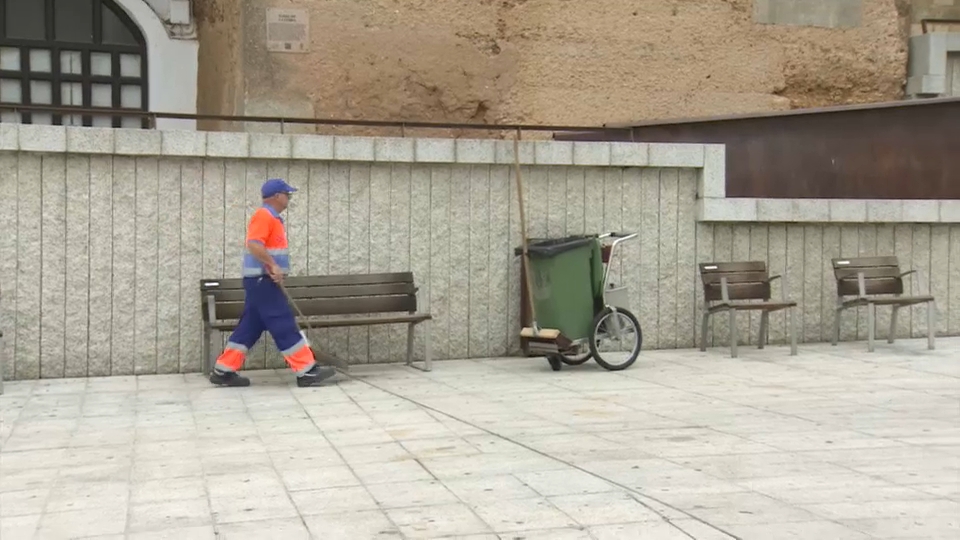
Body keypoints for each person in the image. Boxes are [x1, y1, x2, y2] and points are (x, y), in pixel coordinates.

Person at [209, 178, 336, 387]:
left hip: (261, 281)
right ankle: (306, 371)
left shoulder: (273, 218)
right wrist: (272, 266)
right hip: (263, 280)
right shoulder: (264, 216)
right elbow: (253, 244)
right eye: (287, 195)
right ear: (277, 196)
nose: (289, 198)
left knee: (249, 327)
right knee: (282, 321)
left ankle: (223, 370)